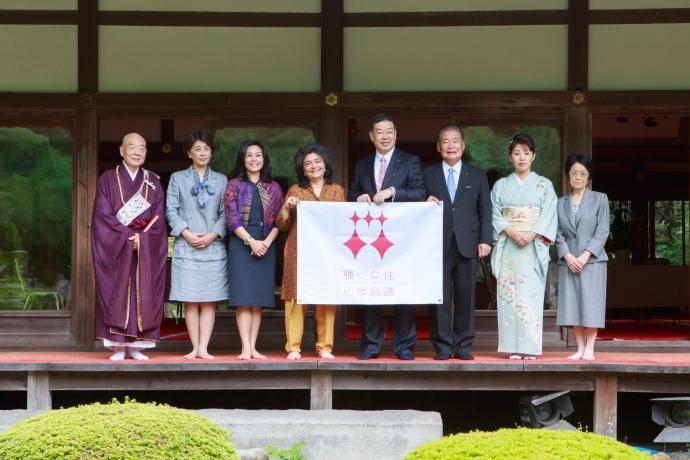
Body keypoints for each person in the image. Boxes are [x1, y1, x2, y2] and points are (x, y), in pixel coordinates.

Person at [347, 113, 426, 360]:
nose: (385, 136)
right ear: (371, 136)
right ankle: (371, 345)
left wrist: (393, 191)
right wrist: (358, 197)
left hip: (401, 238)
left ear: (396, 134)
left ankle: (404, 346)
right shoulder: (362, 164)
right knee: (372, 290)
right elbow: (352, 194)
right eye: (379, 131)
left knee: (400, 289)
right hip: (370, 238)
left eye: (389, 131)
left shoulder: (410, 161)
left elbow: (420, 193)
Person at [91, 133, 167, 361]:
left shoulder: (153, 180)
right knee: (117, 289)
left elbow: (159, 218)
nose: (137, 152)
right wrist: (126, 236)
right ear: (121, 150)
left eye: (142, 148)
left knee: (144, 289)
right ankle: (117, 345)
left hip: (144, 244)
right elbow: (102, 216)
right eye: (132, 147)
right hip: (117, 244)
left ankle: (136, 346)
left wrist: (142, 240)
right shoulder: (107, 179)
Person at [424, 124, 492, 360]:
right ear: (438, 146)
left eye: (455, 141)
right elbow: (417, 206)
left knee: (466, 297)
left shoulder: (477, 175)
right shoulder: (428, 174)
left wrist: (486, 240)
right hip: (437, 244)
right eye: (445, 141)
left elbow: (485, 210)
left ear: (463, 146)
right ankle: (442, 347)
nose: (450, 145)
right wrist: (424, 201)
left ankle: (463, 346)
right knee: (439, 298)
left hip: (468, 244)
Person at [490, 133, 557, 360]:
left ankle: (530, 347)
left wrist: (532, 233)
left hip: (532, 246)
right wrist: (508, 230)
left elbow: (549, 214)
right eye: (517, 153)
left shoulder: (544, 185)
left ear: (533, 156)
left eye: (526, 153)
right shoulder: (500, 186)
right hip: (509, 245)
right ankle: (513, 346)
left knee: (530, 295)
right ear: (510, 157)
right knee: (509, 296)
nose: (521, 158)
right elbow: (494, 213)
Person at [276, 144, 345, 360]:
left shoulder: (337, 190)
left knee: (326, 298)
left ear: (325, 165)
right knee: (295, 300)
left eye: (317, 162)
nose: (313, 166)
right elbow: (282, 225)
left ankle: (325, 346)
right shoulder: (296, 190)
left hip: (327, 253)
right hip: (298, 252)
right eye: (308, 164)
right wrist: (287, 207)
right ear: (303, 170)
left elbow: (342, 222)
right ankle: (294, 347)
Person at [166, 131, 229, 360]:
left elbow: (226, 212)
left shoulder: (222, 180)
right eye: (198, 149)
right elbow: (171, 210)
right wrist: (186, 233)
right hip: (186, 245)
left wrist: (213, 234)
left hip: (213, 246)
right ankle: (194, 347)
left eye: (206, 149)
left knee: (209, 299)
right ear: (189, 153)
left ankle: (204, 347)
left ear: (211, 152)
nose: (203, 153)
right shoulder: (177, 178)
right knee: (190, 300)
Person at [224, 140, 283, 360]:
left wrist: (266, 242)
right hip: (241, 243)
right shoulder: (233, 185)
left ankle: (254, 346)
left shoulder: (274, 187)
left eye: (258, 155)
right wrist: (251, 241)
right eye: (249, 155)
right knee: (243, 298)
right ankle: (245, 347)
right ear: (243, 159)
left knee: (258, 300)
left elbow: (281, 219)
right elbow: (232, 218)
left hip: (267, 243)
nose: (254, 159)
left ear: (264, 159)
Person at [556, 154, 610, 361]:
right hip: (568, 261)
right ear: (568, 175)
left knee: (592, 303)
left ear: (589, 176)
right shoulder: (560, 202)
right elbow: (556, 232)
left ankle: (590, 348)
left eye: (583, 173)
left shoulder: (600, 199)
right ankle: (579, 347)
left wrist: (586, 255)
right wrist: (567, 255)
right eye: (574, 173)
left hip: (593, 260)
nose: (578, 177)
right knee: (573, 304)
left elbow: (603, 231)